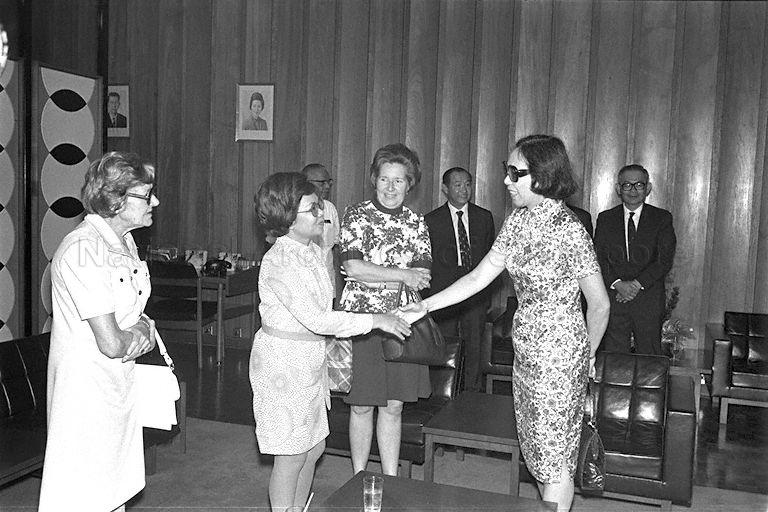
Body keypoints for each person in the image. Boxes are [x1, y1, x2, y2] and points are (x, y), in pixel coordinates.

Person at [401, 135, 610, 512]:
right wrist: (424, 307)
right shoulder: (518, 221)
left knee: (555, 460)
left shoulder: (569, 229)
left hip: (560, 359)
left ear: (544, 176)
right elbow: (478, 278)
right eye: (506, 171)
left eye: (516, 173)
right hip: (526, 353)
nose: (506, 180)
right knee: (537, 455)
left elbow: (599, 305)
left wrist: (586, 358)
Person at [251, 172, 412, 512]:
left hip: (309, 358)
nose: (322, 215)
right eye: (312, 209)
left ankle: (298, 508)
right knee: (292, 454)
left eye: (320, 206)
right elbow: (318, 318)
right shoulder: (280, 260)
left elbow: (327, 307)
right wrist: (376, 320)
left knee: (314, 448)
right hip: (283, 363)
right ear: (287, 216)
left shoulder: (309, 251)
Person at [39, 152, 160, 512]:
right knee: (83, 494)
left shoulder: (124, 242)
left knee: (112, 490)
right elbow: (111, 342)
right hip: (85, 392)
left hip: (117, 383)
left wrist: (141, 327)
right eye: (146, 195)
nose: (155, 202)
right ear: (115, 200)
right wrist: (141, 332)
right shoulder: (83, 250)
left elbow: (135, 319)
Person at [339, 143, 432, 476]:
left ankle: (391, 481)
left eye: (399, 181)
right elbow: (353, 268)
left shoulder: (417, 222)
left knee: (394, 407)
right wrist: (401, 274)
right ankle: (359, 476)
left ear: (410, 184)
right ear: (374, 180)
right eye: (384, 180)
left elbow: (421, 279)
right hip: (364, 323)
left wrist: (379, 274)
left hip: (404, 324)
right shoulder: (355, 214)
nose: (391, 188)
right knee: (363, 405)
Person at [423, 166, 495, 392]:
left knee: (475, 347)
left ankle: (471, 394)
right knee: (444, 345)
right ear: (445, 189)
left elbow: (489, 258)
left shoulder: (484, 218)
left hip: (475, 296)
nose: (464, 190)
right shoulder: (431, 220)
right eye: (457, 185)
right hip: (444, 295)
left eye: (468, 184)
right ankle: (441, 393)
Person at [593, 164, 676, 355]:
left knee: (649, 360)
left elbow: (664, 259)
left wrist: (636, 284)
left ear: (648, 188)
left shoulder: (661, 218)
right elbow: (599, 257)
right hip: (615, 299)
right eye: (627, 185)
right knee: (614, 360)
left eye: (639, 185)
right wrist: (617, 284)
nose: (633, 190)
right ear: (618, 189)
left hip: (648, 301)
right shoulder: (606, 218)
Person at [301, 163, 341, 296]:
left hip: (327, 282)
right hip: (304, 283)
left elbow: (335, 246)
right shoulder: (296, 210)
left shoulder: (330, 208)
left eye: (329, 182)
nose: (327, 186)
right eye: (322, 182)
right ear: (306, 183)